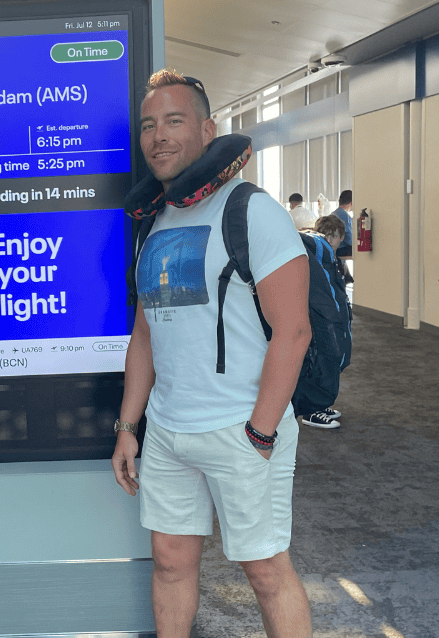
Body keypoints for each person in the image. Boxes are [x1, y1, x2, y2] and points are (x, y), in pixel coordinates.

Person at [113, 70, 312, 638]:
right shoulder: (153, 221)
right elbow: (147, 335)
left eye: (174, 121)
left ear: (207, 129)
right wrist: (131, 425)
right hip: (170, 431)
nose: (159, 136)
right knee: (172, 564)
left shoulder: (252, 210)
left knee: (265, 573)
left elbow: (293, 331)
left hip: (242, 429)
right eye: (149, 125)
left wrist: (262, 431)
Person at [292, 214, 349, 429]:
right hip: (321, 319)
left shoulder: (318, 254)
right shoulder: (317, 251)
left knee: (328, 361)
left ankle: (321, 404)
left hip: (326, 317)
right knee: (320, 360)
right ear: (336, 237)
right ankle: (310, 411)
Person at [331, 190, 353, 258]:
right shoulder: (345, 216)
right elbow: (349, 239)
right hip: (341, 249)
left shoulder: (334, 213)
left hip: (333, 248)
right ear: (352, 203)